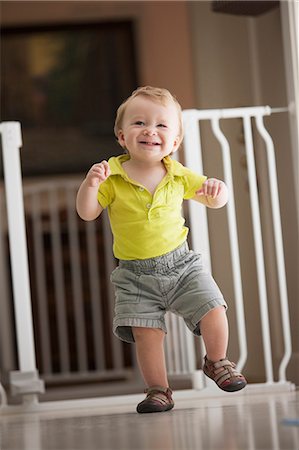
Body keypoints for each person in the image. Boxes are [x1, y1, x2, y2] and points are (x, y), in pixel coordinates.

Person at [76, 86, 247, 414]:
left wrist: (218, 190)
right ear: (123, 136)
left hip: (182, 266)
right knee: (147, 335)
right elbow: (87, 212)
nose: (150, 130)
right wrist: (90, 184)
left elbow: (214, 199)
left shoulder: (177, 173)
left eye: (162, 125)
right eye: (139, 122)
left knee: (214, 308)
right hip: (134, 274)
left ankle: (217, 361)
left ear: (175, 141)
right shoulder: (111, 175)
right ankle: (158, 389)